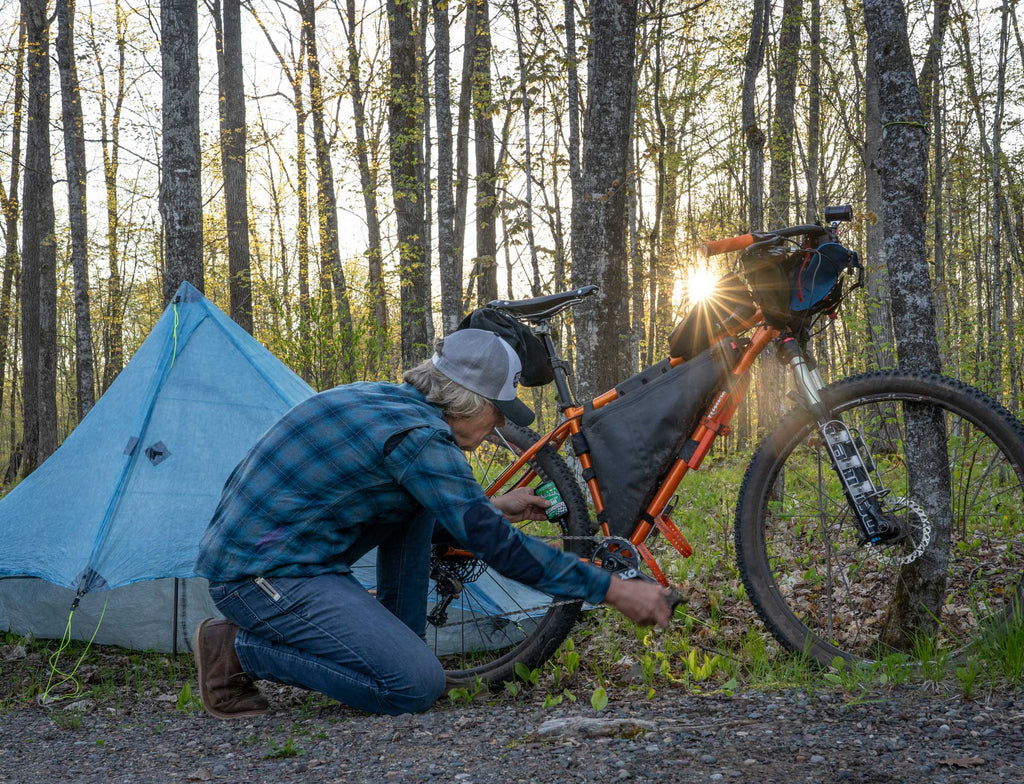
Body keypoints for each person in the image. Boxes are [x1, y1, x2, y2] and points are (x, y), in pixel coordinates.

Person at [193, 328, 673, 718]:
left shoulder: (386, 400)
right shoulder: (421, 440)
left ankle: (403, 648)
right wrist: (610, 588)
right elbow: (500, 549)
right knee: (412, 688)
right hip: (258, 577)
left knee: (417, 511)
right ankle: (236, 649)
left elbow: (433, 513)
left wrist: (494, 506)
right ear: (470, 402)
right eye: (497, 414)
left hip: (287, 558)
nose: (495, 430)